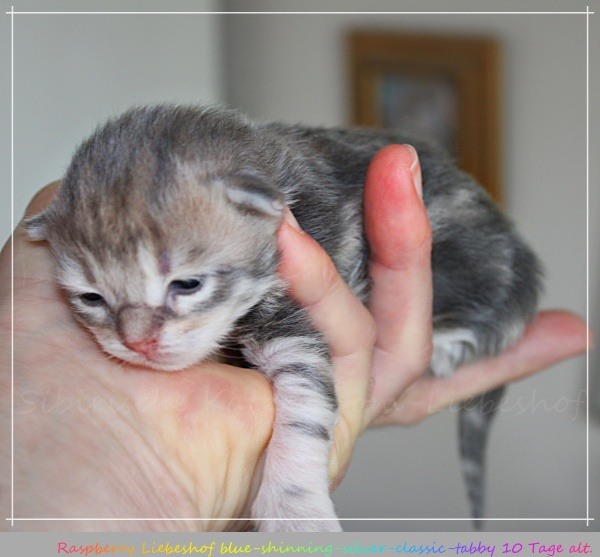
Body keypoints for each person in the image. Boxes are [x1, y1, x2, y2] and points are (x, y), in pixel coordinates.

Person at [0, 145, 588, 531]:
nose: (136, 340)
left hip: (478, 291)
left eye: (185, 284)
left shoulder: (272, 230)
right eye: (93, 299)